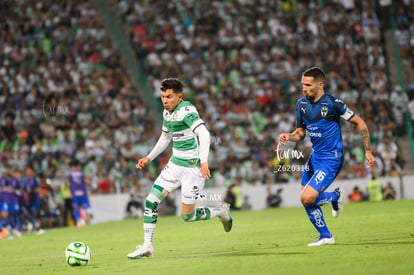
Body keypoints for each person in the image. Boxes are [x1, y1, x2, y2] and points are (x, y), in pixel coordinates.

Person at [127, 78, 232, 259]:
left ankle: (220, 210)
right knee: (151, 200)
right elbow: (165, 137)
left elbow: (204, 133)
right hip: (175, 165)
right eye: (162, 96)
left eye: (169, 96)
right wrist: (148, 157)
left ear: (179, 97)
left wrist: (204, 160)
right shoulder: (167, 113)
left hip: (192, 170)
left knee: (187, 216)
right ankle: (147, 246)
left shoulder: (187, 111)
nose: (165, 100)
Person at [279, 67, 375, 246]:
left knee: (307, 198)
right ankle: (327, 229)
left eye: (308, 85)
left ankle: (331, 209)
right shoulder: (301, 104)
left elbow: (360, 123)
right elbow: (301, 132)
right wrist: (290, 136)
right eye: (302, 84)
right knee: (306, 197)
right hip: (315, 158)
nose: (304, 88)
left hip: (331, 158)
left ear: (320, 84)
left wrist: (368, 150)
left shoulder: (333, 104)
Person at [68, 159, 92, 227]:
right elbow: (87, 181)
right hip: (82, 192)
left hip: (75, 193)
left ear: (72, 166)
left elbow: (68, 183)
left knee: (76, 208)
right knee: (86, 207)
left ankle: (79, 221)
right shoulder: (81, 172)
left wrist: (70, 192)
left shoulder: (70, 173)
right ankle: (84, 217)